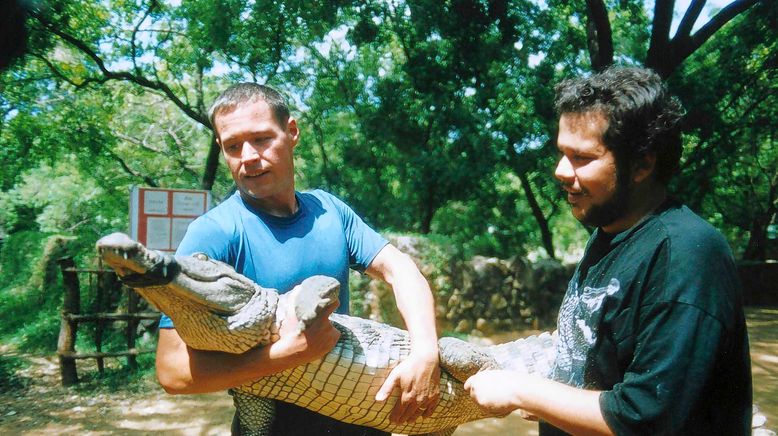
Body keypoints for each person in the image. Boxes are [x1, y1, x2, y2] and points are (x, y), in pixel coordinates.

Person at [464, 67, 752, 435]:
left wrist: (524, 391)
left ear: (643, 164)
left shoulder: (684, 256)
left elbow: (645, 417)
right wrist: (554, 399)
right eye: (561, 153)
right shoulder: (608, 232)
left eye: (582, 157)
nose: (560, 171)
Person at [155, 83, 441, 435]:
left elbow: (401, 268)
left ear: (291, 132)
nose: (247, 156)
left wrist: (426, 350)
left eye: (261, 139)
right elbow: (172, 371)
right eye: (232, 146)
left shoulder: (329, 210)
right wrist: (288, 355)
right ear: (221, 148)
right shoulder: (212, 233)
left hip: (361, 415)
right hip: (272, 425)